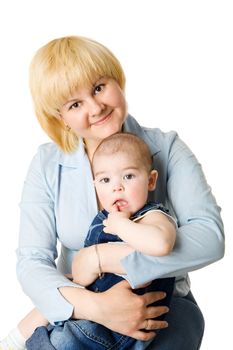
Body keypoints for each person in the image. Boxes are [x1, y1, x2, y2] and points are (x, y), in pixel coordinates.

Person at [0, 35, 224, 350]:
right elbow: (32, 261)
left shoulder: (166, 147)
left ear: (117, 80)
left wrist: (104, 258)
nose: (96, 107)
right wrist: (96, 307)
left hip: (160, 304)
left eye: (99, 87)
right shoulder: (47, 164)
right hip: (81, 306)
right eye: (75, 104)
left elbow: (209, 238)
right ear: (60, 118)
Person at [1, 132, 177, 350]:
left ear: (150, 180)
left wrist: (122, 225)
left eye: (128, 176)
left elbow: (161, 244)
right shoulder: (102, 219)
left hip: (121, 327)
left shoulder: (152, 216)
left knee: (60, 342)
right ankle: (13, 341)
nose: (117, 187)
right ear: (95, 185)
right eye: (105, 180)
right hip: (94, 310)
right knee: (56, 302)